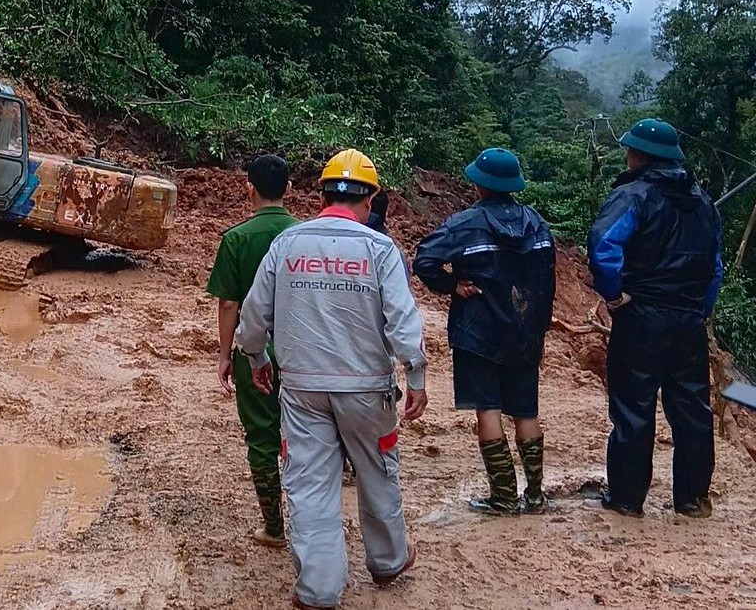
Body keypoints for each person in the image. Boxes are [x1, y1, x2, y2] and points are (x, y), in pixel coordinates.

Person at [234, 149, 426, 610]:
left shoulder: (288, 245)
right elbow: (403, 321)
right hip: (367, 389)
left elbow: (253, 315)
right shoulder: (380, 249)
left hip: (302, 389)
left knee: (310, 483)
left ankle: (318, 589)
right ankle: (388, 560)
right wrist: (416, 375)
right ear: (370, 200)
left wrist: (257, 357)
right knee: (377, 472)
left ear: (321, 196)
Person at [588, 118, 723, 519]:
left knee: (634, 407)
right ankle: (692, 500)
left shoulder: (634, 194)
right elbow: (715, 267)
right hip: (688, 319)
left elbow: (604, 245)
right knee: (693, 409)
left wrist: (613, 295)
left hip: (641, 316)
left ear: (639, 155)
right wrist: (701, 308)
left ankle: (627, 499)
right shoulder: (703, 202)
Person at [414, 148, 556, 515]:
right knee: (526, 411)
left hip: (478, 333)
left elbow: (425, 260)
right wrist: (538, 328)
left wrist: (452, 285)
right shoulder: (537, 224)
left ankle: (504, 498)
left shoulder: (464, 224)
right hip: (525, 333)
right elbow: (547, 280)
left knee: (488, 409)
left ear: (479, 184)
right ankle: (535, 496)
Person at [206, 154, 297, 549]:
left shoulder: (236, 238)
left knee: (261, 436)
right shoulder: (304, 236)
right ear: (289, 189)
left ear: (249, 189)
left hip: (255, 350)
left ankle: (274, 527)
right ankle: (311, 524)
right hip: (303, 350)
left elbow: (229, 303)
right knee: (308, 436)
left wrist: (225, 354)